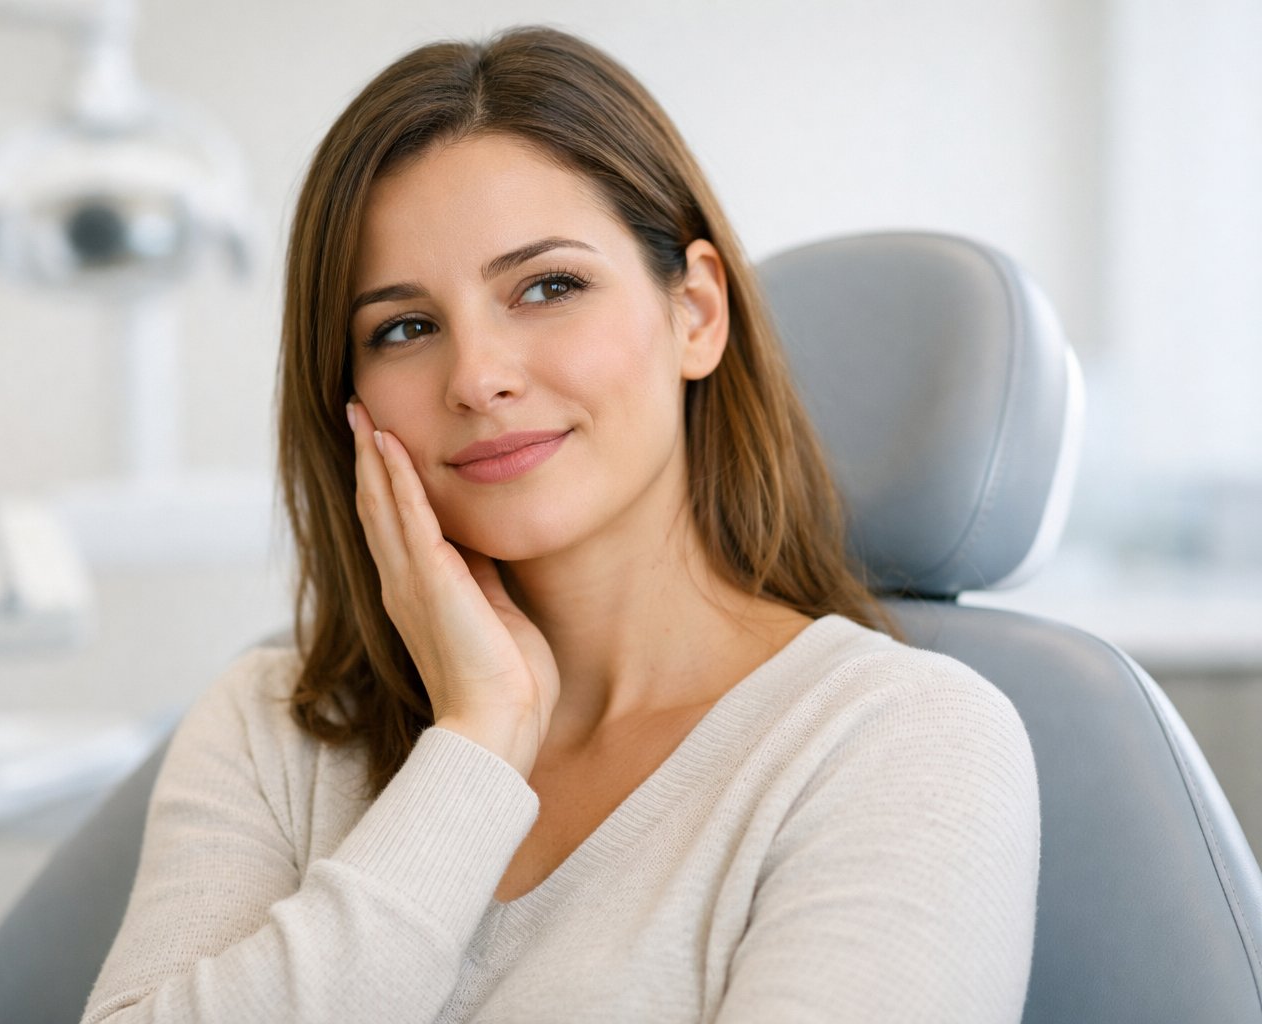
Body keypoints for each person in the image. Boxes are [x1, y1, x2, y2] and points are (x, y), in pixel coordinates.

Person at [81, 24, 1039, 1024]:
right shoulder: (273, 726)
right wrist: (477, 745)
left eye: (549, 286)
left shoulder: (900, 741)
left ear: (697, 313)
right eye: (403, 326)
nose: (477, 376)